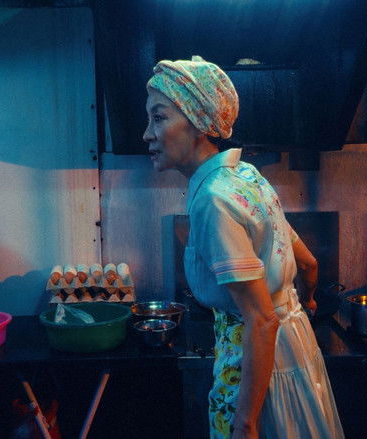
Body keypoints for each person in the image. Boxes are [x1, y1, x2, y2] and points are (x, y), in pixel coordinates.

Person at [143, 56, 344, 439]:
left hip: (256, 364)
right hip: (295, 345)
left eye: (159, 117)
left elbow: (262, 320)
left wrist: (246, 422)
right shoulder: (245, 175)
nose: (147, 134)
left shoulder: (213, 200)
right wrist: (307, 298)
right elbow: (308, 262)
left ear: (200, 122)